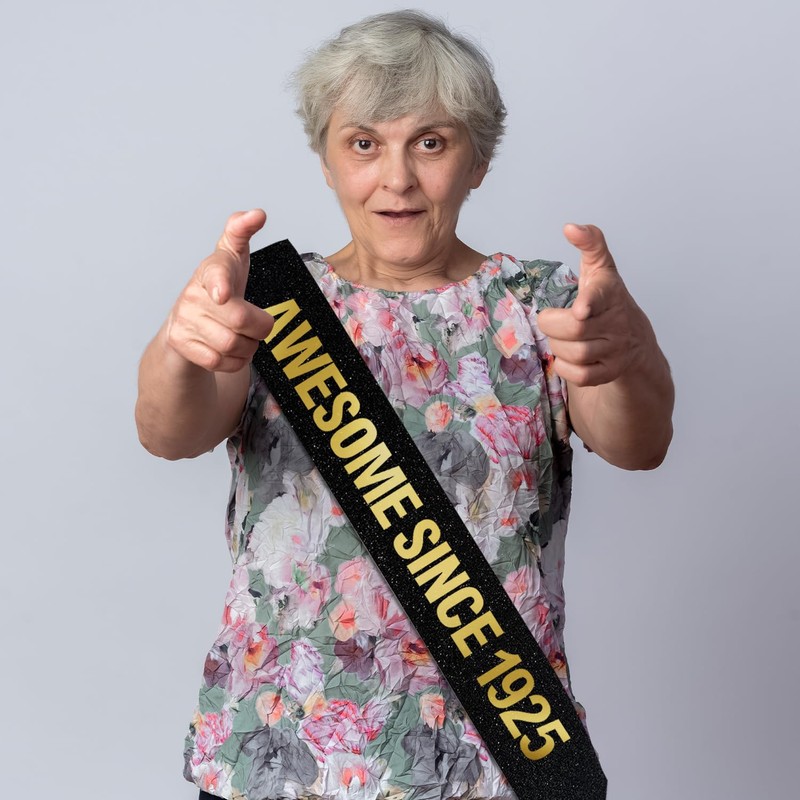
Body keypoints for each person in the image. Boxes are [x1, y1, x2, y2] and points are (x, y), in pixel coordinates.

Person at [135, 10, 673, 800]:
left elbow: (639, 441)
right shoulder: (264, 305)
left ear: (477, 160)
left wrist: (625, 354)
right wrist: (183, 345)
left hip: (496, 757)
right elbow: (167, 431)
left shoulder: (548, 305)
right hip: (278, 754)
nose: (396, 179)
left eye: (430, 142)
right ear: (326, 159)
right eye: (363, 144)